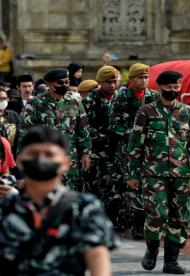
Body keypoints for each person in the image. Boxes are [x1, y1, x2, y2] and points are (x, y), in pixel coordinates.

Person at [0, 126, 117, 275]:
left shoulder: (85, 208)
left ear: (66, 163)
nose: (40, 159)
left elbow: (98, 262)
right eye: (33, 153)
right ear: (20, 160)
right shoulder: (5, 208)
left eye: (49, 154)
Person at [127, 70, 190, 274]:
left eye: (176, 87)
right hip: (153, 173)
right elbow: (135, 143)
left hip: (182, 173)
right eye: (169, 87)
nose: (173, 90)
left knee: (180, 217)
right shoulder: (146, 111)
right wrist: (133, 175)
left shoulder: (187, 112)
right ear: (159, 88)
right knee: (157, 214)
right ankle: (152, 250)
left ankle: (171, 260)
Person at [108, 63, 159, 238]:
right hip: (128, 149)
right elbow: (114, 124)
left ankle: (147, 223)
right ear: (131, 79)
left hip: (151, 149)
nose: (144, 80)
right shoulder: (121, 97)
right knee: (134, 184)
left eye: (146, 77)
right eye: (140, 77)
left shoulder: (154, 97)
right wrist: (133, 134)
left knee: (150, 185)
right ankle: (136, 225)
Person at [20, 68, 92, 191]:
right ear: (49, 84)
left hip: (70, 158)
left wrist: (86, 154)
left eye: (67, 82)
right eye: (60, 83)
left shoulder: (74, 102)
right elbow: (26, 132)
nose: (64, 85)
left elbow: (83, 129)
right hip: (45, 158)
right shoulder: (35, 103)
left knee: (72, 192)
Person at [82, 66, 119, 223]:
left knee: (115, 185)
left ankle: (113, 218)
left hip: (116, 151)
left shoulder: (120, 98)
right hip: (96, 152)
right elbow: (84, 125)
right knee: (96, 186)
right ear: (100, 83)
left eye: (114, 81)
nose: (112, 85)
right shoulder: (90, 101)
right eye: (108, 82)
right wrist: (102, 137)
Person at [0, 90, 20, 156]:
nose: (2, 101)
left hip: (11, 154)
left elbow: (18, 135)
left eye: (5, 98)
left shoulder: (13, 115)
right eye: (0, 98)